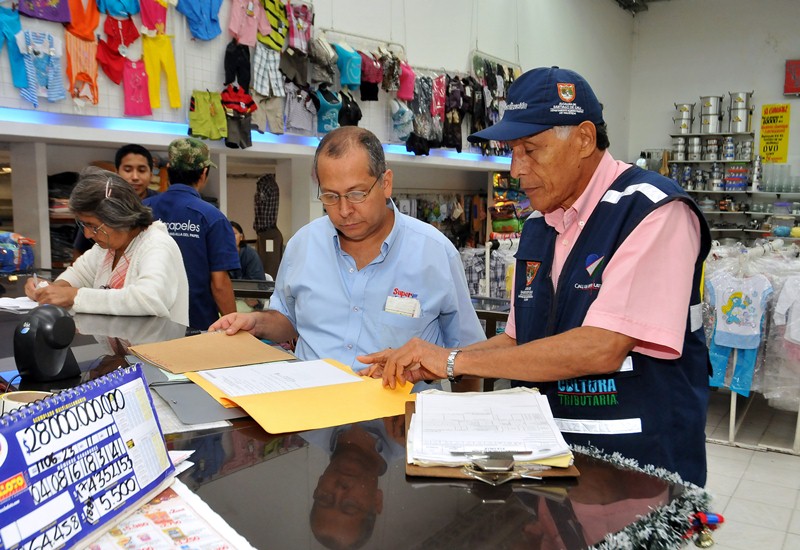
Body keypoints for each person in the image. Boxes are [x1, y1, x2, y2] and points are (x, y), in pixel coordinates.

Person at [361, 67, 712, 487]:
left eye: (530, 149)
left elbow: (602, 347)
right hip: (550, 462)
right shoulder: (539, 227)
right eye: (513, 151)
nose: (515, 169)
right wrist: (432, 360)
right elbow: (517, 340)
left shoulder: (653, 212)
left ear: (584, 139)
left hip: (637, 472)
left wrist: (453, 361)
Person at [210, 126, 485, 389]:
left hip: (397, 416)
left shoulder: (434, 252)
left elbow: (468, 355)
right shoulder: (302, 245)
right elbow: (288, 320)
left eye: (356, 194)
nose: (344, 210)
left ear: (386, 183)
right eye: (330, 196)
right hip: (309, 410)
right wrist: (256, 322)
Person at [26, 166, 189, 325]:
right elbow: (78, 275)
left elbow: (150, 299)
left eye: (93, 226)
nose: (87, 234)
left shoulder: (157, 245)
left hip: (158, 343)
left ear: (119, 218)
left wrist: (75, 296)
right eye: (84, 225)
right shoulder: (106, 248)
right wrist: (51, 289)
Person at [144, 138, 240, 330]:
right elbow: (219, 284)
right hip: (197, 325)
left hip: (147, 323)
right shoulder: (212, 217)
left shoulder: (142, 211)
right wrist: (233, 326)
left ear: (169, 169)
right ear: (204, 172)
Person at [73, 143, 160, 259]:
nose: (135, 177)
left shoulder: (160, 203)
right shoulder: (100, 201)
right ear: (117, 173)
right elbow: (80, 251)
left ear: (151, 174)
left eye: (141, 170)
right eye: (128, 170)